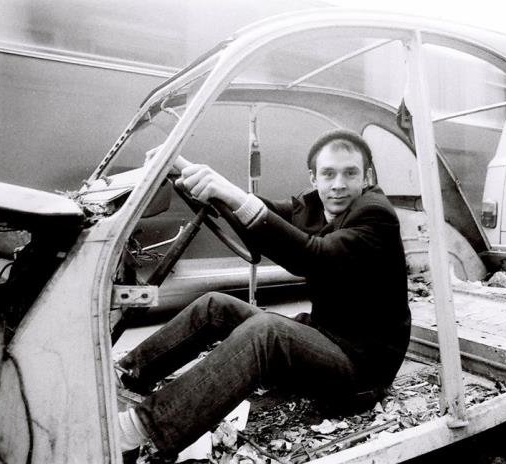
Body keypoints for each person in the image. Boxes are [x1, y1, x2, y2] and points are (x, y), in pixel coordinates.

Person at [116, 129, 411, 458]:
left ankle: (133, 432)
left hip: (361, 371)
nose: (338, 184)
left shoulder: (375, 215)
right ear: (313, 178)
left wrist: (229, 193)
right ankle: (126, 377)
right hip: (326, 340)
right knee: (216, 306)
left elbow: (313, 256)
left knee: (268, 331)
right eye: (328, 174)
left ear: (367, 177)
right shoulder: (314, 206)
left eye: (350, 173)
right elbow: (263, 212)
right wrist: (187, 170)